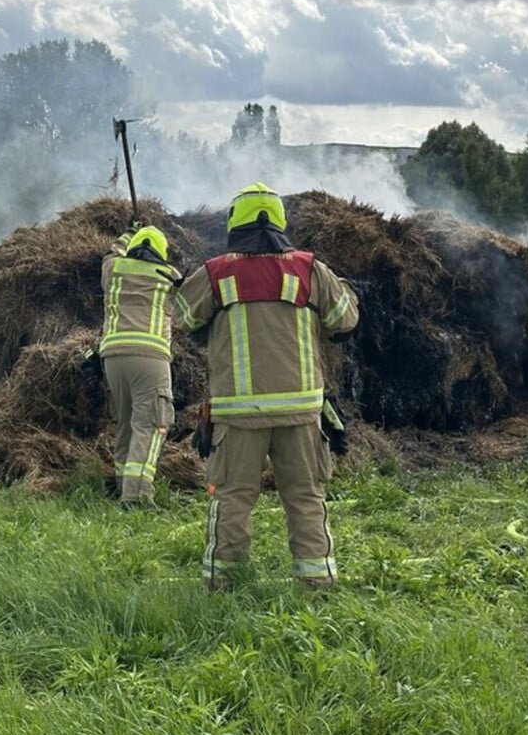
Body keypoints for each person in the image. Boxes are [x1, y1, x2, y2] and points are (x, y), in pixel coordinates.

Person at [174, 183, 359, 590]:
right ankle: (317, 586)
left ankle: (224, 586)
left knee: (233, 499)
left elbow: (182, 317)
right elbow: (346, 319)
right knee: (306, 499)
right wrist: (333, 285)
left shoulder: (217, 272)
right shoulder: (309, 269)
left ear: (234, 223)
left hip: (239, 417)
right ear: (280, 221)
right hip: (301, 414)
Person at [99, 224, 182, 507]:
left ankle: (123, 485)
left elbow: (112, 251)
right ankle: (136, 499)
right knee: (151, 425)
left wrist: (127, 233)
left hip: (113, 358)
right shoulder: (168, 277)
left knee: (126, 425)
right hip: (150, 358)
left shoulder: (113, 270)